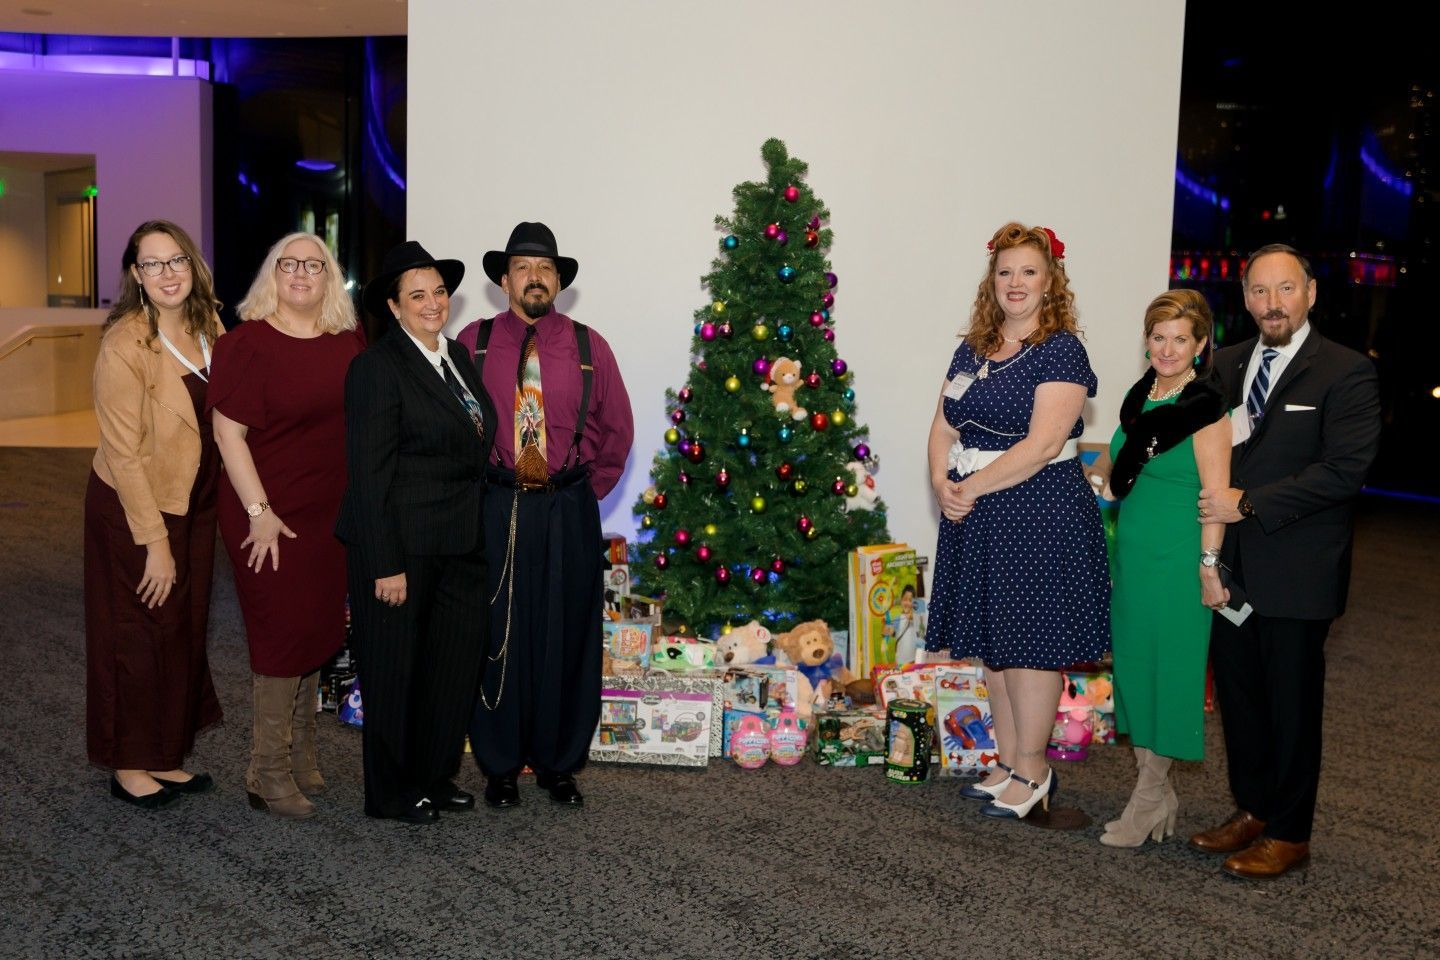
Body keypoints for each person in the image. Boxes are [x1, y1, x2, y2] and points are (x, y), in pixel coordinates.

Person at [1192, 244, 1381, 878]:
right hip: (1233, 571)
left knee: (1292, 704)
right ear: (1244, 298)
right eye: (1260, 291)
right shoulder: (1226, 364)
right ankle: (1254, 809)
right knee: (1242, 696)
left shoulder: (1346, 372)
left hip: (1299, 572)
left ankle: (1291, 833)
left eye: (1285, 290)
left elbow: (1344, 472)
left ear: (1310, 293)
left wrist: (1248, 502)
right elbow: (1204, 448)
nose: (1272, 303)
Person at [924, 221, 1110, 821]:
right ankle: (1006, 763)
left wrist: (966, 489)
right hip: (978, 512)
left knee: (1031, 647)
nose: (1015, 282)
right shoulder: (973, 348)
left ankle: (1034, 770)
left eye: (1028, 271)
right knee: (995, 646)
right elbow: (944, 426)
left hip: (1038, 510)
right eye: (1005, 272)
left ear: (1051, 279)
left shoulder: (1062, 352)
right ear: (992, 281)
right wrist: (940, 484)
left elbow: (1042, 444)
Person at [457, 221, 633, 808]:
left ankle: (560, 763)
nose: (535, 277)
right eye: (523, 267)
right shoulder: (473, 343)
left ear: (558, 281)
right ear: (503, 280)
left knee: (566, 635)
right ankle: (500, 766)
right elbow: (452, 428)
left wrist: (582, 493)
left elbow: (618, 431)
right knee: (498, 632)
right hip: (497, 503)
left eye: (546, 269)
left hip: (566, 507)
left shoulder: (589, 347)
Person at [336, 241, 497, 824]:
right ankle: (390, 792)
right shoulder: (375, 369)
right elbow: (368, 475)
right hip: (399, 548)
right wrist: (384, 562)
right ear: (394, 306)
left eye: (438, 292)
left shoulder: (455, 356)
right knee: (395, 672)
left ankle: (433, 775)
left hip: (460, 543)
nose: (433, 303)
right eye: (417, 295)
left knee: (449, 671)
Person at [209, 233, 365, 819]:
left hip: (327, 514)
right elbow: (229, 435)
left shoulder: (347, 343)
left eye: (314, 265)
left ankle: (300, 754)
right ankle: (266, 772)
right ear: (271, 275)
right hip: (265, 512)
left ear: (329, 278)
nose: (301, 274)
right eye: (289, 264)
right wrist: (259, 512)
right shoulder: (246, 343)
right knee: (280, 632)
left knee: (317, 627)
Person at [85, 219, 225, 809]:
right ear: (135, 275)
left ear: (192, 266)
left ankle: (165, 753)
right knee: (136, 633)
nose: (167, 274)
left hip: (194, 500)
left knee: (183, 626)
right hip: (133, 507)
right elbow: (123, 453)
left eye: (176, 262)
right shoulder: (125, 343)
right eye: (152, 264)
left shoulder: (209, 326)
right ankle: (129, 762)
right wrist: (156, 542)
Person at [1097, 289, 1230, 847]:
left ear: (1200, 346)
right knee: (1135, 670)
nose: (1168, 349)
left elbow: (1217, 496)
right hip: (1133, 556)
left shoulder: (1206, 410)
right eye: (1158, 337)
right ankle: (1158, 794)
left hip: (1179, 560)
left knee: (1171, 675)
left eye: (1181, 339)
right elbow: (1110, 465)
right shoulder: (1138, 397)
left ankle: (1149, 796)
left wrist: (1207, 565)